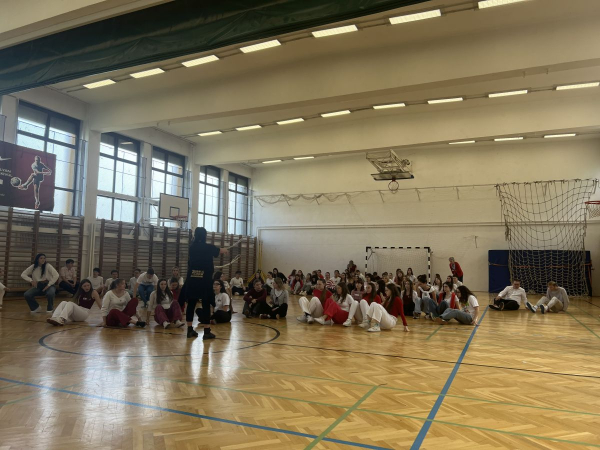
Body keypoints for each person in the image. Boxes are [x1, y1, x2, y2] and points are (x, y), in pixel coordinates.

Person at [182, 227, 228, 339]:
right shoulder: (208, 247)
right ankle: (207, 332)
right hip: (205, 279)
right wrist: (224, 249)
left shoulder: (192, 247)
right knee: (206, 303)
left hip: (192, 278)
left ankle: (189, 330)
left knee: (191, 303)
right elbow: (219, 251)